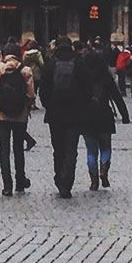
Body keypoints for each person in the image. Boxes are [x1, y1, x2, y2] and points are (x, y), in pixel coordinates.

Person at [39, 36, 90, 199]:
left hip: (55, 114)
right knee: (71, 149)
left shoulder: (51, 64)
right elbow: (87, 90)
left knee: (58, 148)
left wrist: (49, 106)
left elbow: (43, 90)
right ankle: (67, 182)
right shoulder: (80, 64)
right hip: (75, 114)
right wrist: (82, 107)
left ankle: (59, 177)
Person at [0, 42, 35, 196]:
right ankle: (20, 182)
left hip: (0, 115)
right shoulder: (26, 71)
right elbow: (31, 95)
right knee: (18, 149)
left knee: (4, 151)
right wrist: (25, 107)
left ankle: (7, 186)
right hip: (20, 116)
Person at [79, 48, 129, 190]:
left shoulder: (82, 76)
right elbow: (116, 96)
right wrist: (124, 115)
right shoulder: (106, 76)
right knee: (106, 147)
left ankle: (94, 181)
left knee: (91, 151)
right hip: (104, 114)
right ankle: (104, 170)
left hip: (87, 116)